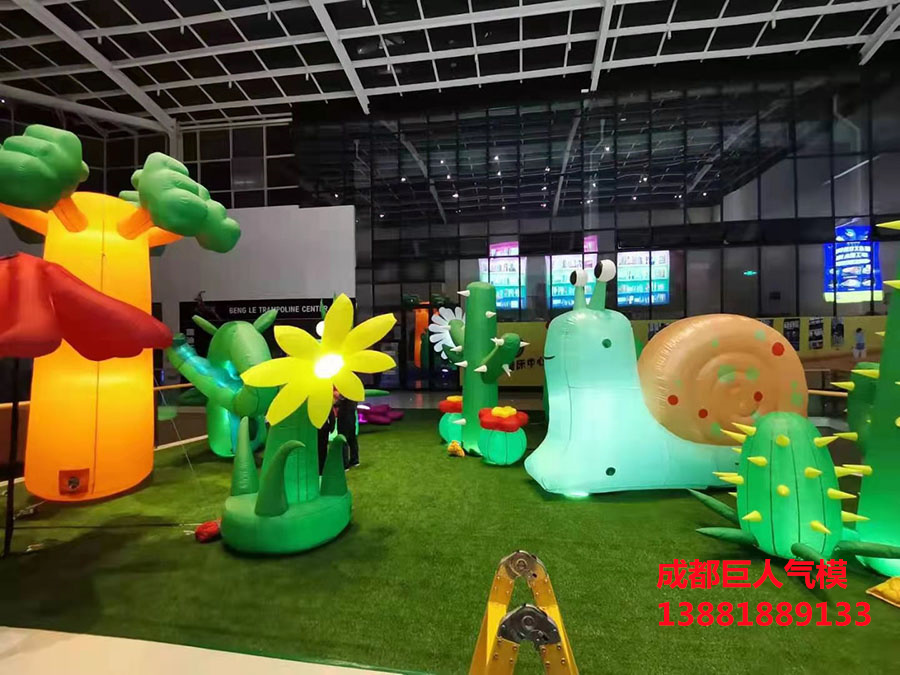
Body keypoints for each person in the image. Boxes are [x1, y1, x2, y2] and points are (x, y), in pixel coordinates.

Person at [335, 393, 360, 469]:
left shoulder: (345, 394)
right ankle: (355, 460)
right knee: (352, 439)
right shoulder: (354, 395)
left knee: (343, 439)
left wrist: (337, 399)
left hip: (344, 417)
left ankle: (345, 464)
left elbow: (338, 402)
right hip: (351, 416)